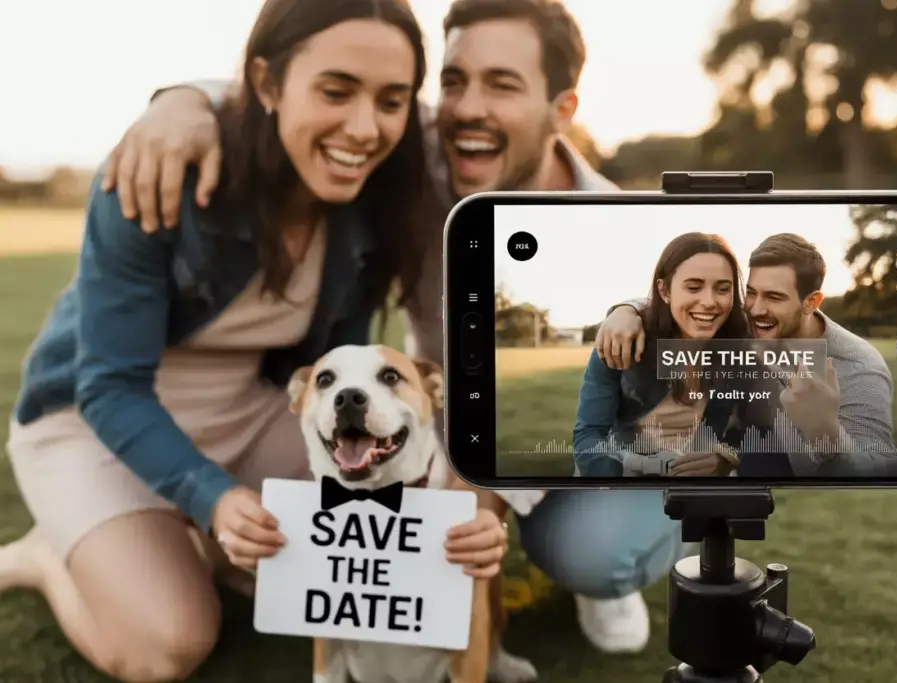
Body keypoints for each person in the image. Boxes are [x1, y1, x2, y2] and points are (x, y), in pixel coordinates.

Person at [97, 0, 677, 655]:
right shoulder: (412, 155)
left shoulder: (614, 231)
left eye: (502, 84)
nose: (468, 108)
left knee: (594, 547)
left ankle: (601, 578)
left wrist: (486, 489)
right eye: (454, 81)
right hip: (446, 413)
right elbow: (305, 85)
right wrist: (182, 103)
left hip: (590, 427)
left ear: (561, 109)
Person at [0, 2, 508, 681]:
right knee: (168, 644)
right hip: (95, 425)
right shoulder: (159, 172)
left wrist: (460, 513)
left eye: (390, 101)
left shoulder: (372, 204)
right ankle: (45, 556)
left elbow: (343, 378)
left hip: (252, 412)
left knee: (377, 530)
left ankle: (180, 540)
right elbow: (109, 386)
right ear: (267, 83)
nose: (365, 128)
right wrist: (212, 496)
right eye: (335, 91)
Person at [595, 232, 896, 472]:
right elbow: (683, 301)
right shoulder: (748, 326)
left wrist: (826, 432)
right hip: (740, 461)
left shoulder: (859, 368)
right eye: (751, 293)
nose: (756, 309)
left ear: (811, 302)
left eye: (774, 297)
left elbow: (875, 471)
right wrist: (625, 310)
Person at [574, 233, 795, 479]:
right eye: (693, 287)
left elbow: (761, 431)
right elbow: (588, 436)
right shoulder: (622, 340)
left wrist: (726, 458)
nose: (709, 302)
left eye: (723, 289)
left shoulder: (741, 345)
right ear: (664, 290)